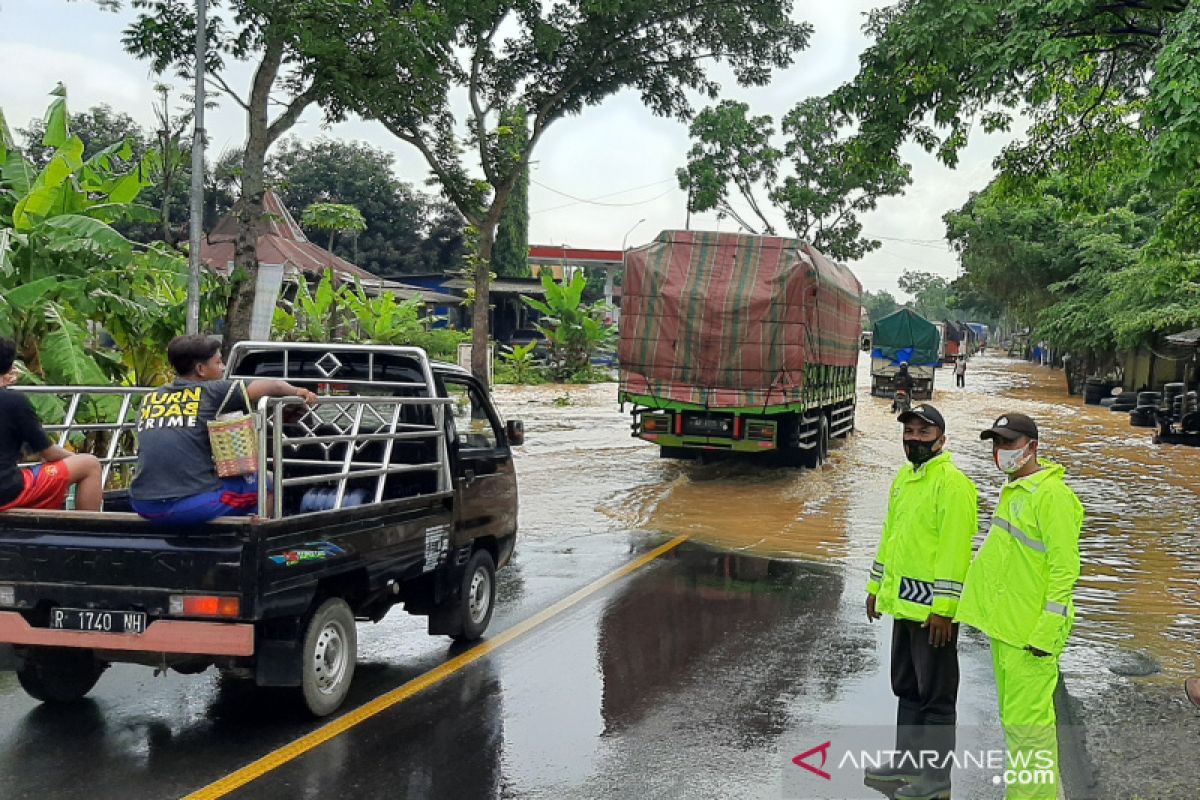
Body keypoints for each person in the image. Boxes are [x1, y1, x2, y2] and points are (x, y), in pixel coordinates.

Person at [956, 413, 1083, 800]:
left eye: (1009, 444)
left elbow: (1066, 572)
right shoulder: (1016, 491)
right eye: (997, 444)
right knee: (1017, 727)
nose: (1001, 452)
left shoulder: (1052, 497)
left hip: (1031, 636)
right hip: (1008, 631)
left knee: (1031, 734)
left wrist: (1045, 633)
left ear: (1032, 447)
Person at [866, 404, 979, 799]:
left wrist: (944, 611)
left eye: (923, 432)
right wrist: (875, 586)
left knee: (936, 696)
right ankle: (906, 763)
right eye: (909, 431)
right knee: (908, 688)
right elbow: (891, 537)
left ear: (941, 440)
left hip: (934, 615)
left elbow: (954, 552)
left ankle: (935, 781)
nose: (913, 439)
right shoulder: (904, 480)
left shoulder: (953, 485)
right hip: (905, 609)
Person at [129, 334, 317, 524]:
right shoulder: (212, 391)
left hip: (142, 503)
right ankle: (255, 540)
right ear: (201, 369)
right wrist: (298, 392)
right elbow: (274, 385)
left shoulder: (151, 398)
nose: (223, 368)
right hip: (187, 505)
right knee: (267, 483)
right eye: (218, 362)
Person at [0, 337, 103, 512]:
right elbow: (48, 453)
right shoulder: (14, 401)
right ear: (9, 369)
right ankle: (88, 533)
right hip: (6, 491)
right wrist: (76, 459)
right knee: (90, 464)